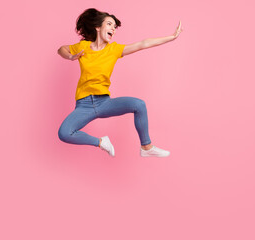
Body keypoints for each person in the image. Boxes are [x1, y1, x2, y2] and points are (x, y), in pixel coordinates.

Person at [57, 8, 183, 157]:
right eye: (109, 24)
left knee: (139, 104)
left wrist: (171, 37)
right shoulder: (83, 47)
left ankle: (146, 147)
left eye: (115, 27)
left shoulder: (114, 49)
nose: (113, 29)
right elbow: (61, 49)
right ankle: (101, 142)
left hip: (103, 103)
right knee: (64, 133)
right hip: (83, 106)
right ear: (98, 27)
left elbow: (143, 44)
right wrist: (70, 56)